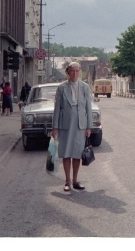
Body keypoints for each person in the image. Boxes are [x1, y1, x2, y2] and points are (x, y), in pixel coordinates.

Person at [51, 62, 93, 192]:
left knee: (77, 153)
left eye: (77, 71)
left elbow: (88, 108)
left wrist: (89, 127)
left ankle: (75, 180)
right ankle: (67, 181)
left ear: (79, 72)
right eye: (72, 71)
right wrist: (55, 126)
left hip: (80, 124)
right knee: (66, 152)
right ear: (68, 72)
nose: (75, 73)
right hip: (65, 124)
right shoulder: (62, 88)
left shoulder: (85, 87)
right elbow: (57, 108)